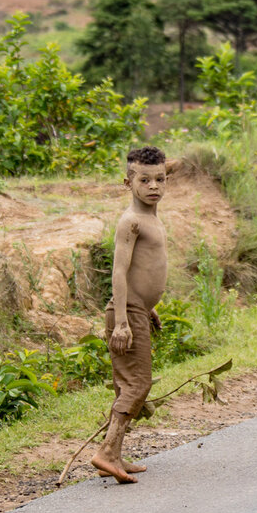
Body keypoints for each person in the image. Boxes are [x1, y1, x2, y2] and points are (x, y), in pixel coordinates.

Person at [91, 146, 170, 483]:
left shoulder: (152, 216)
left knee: (127, 385)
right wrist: (122, 322)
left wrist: (149, 307)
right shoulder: (131, 221)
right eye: (144, 180)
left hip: (139, 310)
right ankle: (106, 453)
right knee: (137, 383)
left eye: (160, 179)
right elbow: (120, 273)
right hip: (126, 313)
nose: (154, 186)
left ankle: (116, 455)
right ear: (128, 183)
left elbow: (144, 271)